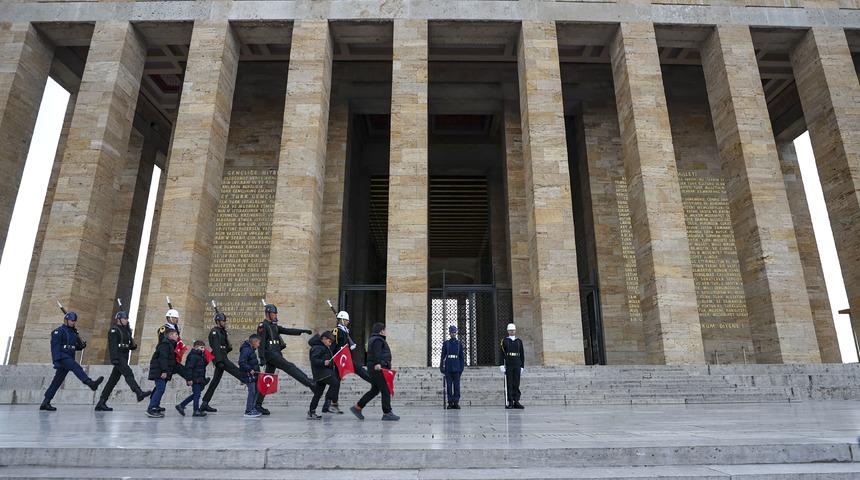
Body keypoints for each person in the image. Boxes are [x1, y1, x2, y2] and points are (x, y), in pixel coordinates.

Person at [255, 303, 315, 415]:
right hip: (271, 355)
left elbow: (287, 330)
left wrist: (302, 331)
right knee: (290, 367)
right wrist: (262, 357)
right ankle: (310, 383)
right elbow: (261, 342)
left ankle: (257, 404)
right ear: (268, 313)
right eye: (273, 313)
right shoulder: (263, 326)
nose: (275, 315)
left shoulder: (274, 326)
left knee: (267, 379)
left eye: (276, 313)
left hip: (276, 354)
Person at [40, 312, 104, 411]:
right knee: (76, 367)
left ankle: (45, 402)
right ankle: (90, 383)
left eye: (74, 321)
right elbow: (55, 347)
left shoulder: (74, 332)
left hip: (69, 356)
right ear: (66, 320)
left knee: (57, 381)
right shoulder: (58, 331)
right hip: (62, 356)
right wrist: (56, 361)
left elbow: (74, 346)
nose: (73, 322)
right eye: (71, 321)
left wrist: (81, 346)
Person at [95, 311, 151, 411]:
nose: (126, 320)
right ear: (119, 319)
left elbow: (128, 345)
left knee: (112, 381)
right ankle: (138, 392)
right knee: (128, 372)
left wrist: (132, 345)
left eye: (127, 319)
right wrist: (114, 359)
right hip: (118, 356)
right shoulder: (114, 330)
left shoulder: (126, 330)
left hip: (124, 356)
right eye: (125, 318)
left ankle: (101, 402)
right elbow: (112, 346)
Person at [350, 322, 399, 421]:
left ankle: (357, 407)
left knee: (375, 390)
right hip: (378, 369)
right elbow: (377, 353)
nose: (386, 332)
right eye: (385, 330)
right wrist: (378, 363)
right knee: (386, 390)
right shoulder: (378, 340)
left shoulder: (375, 339)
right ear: (381, 331)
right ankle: (387, 413)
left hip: (374, 369)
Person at [200, 311, 247, 413]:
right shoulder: (214, 332)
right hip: (220, 358)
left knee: (215, 382)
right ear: (217, 321)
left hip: (222, 356)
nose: (224, 322)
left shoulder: (222, 331)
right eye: (223, 321)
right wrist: (218, 361)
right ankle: (247, 380)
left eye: (225, 321)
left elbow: (225, 346)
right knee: (235, 370)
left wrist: (227, 342)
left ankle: (204, 403)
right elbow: (216, 347)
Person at [325, 309, 370, 414]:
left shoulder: (344, 331)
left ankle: (328, 405)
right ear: (341, 320)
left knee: (336, 382)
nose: (348, 322)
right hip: (338, 359)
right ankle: (331, 404)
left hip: (343, 359)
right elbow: (333, 346)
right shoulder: (337, 331)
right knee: (336, 382)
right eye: (346, 320)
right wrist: (331, 359)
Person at [147, 326, 179, 418]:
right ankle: (151, 408)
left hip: (161, 370)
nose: (177, 336)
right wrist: (164, 371)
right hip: (159, 370)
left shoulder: (169, 344)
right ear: (170, 335)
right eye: (176, 334)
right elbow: (163, 359)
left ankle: (155, 405)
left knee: (158, 388)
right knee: (160, 388)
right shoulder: (165, 344)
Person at [307, 331, 340, 420]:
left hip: (323, 373)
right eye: (329, 342)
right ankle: (329, 400)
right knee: (335, 383)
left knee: (318, 394)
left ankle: (311, 411)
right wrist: (323, 362)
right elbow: (314, 360)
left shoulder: (323, 347)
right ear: (324, 339)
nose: (330, 344)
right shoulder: (317, 347)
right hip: (321, 373)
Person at [176, 340, 208, 417]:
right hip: (194, 379)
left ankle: (181, 405)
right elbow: (189, 368)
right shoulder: (193, 356)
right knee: (197, 395)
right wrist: (189, 379)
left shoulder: (200, 356)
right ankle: (196, 411)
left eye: (203, 348)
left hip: (198, 379)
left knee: (196, 394)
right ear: (196, 347)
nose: (203, 349)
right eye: (202, 347)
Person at [500, 323, 525, 409]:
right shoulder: (505, 341)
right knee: (509, 383)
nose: (512, 332)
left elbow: (522, 354)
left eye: (513, 330)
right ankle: (510, 401)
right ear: (508, 331)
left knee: (516, 383)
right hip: (509, 364)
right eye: (510, 330)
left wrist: (522, 366)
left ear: (515, 330)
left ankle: (516, 401)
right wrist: (501, 365)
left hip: (517, 363)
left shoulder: (519, 341)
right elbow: (502, 354)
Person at [440, 325, 464, 409]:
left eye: (454, 332)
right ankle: (450, 402)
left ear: (456, 333)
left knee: (457, 386)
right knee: (449, 387)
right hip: (448, 367)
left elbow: (461, 357)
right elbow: (443, 356)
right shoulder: (446, 344)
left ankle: (456, 402)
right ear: (449, 333)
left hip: (457, 368)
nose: (453, 334)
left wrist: (461, 368)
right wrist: (441, 367)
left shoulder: (459, 344)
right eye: (452, 332)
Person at [238, 334, 263, 418]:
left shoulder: (251, 349)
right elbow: (241, 362)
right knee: (252, 392)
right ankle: (248, 411)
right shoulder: (246, 350)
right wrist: (250, 369)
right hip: (248, 374)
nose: (259, 345)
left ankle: (252, 408)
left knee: (256, 391)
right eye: (258, 343)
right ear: (254, 342)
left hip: (254, 374)